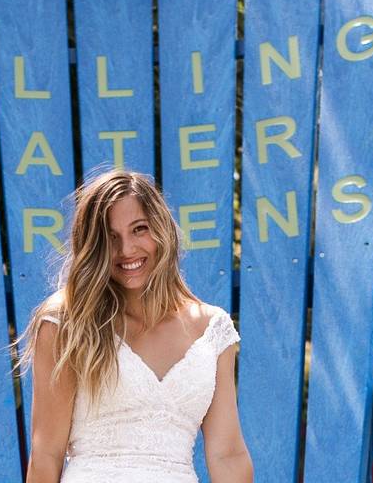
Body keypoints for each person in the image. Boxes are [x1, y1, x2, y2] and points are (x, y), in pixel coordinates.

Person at [17, 169, 253, 483]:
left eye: (138, 229)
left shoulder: (211, 330)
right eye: (110, 237)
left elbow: (228, 454)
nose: (126, 250)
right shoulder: (67, 322)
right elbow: (47, 452)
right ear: (94, 246)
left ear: (161, 230)